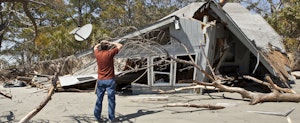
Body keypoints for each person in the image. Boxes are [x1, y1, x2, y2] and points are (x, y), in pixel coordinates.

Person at [93, 40, 123, 123]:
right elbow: (120, 45)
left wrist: (101, 42)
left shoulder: (97, 54)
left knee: (99, 99)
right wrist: (110, 42)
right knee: (111, 100)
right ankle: (111, 118)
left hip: (101, 80)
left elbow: (95, 47)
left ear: (101, 47)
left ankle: (97, 117)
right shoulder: (110, 53)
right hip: (110, 80)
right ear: (107, 46)